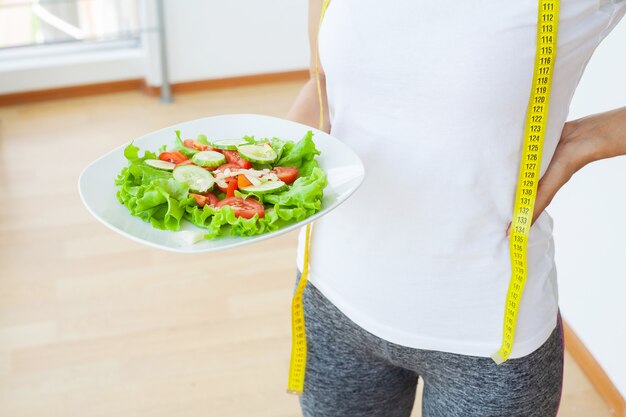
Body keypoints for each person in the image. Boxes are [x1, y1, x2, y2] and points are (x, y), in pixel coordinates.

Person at [286, 1, 626, 416]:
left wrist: (587, 141)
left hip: (485, 339)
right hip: (332, 297)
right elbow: (321, 81)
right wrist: (267, 178)